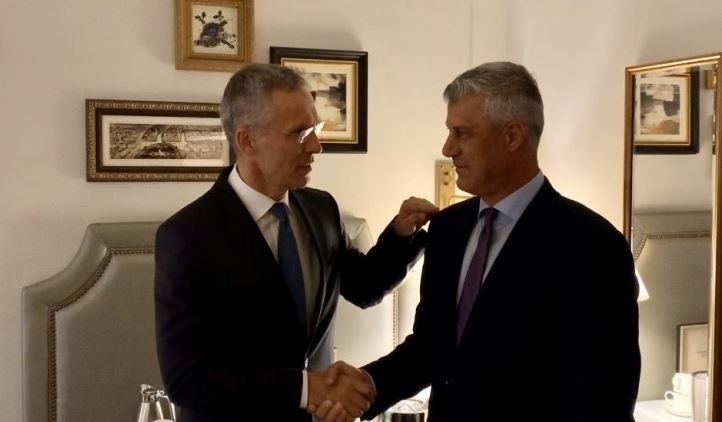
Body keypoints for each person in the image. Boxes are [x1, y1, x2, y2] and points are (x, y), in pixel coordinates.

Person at [315, 61, 641, 421]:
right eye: (449, 131)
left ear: (512, 136)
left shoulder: (592, 246)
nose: (448, 148)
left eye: (463, 133)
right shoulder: (448, 228)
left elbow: (604, 400)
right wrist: (369, 384)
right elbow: (432, 346)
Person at [154, 63, 437, 422]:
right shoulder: (188, 236)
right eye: (300, 133)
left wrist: (402, 235)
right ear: (247, 140)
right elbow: (187, 380)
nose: (316, 146)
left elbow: (365, 287)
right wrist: (306, 388)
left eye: (315, 129)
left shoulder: (321, 209)